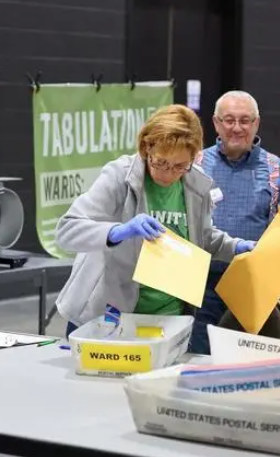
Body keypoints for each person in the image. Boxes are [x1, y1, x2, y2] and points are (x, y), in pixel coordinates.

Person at [54, 104, 257, 336]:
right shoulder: (120, 175)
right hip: (110, 314)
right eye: (160, 162)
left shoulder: (196, 184)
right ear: (146, 148)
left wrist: (236, 247)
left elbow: (201, 236)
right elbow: (67, 230)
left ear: (194, 158)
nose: (168, 174)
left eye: (179, 166)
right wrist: (117, 231)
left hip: (168, 317)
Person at [188, 90, 280, 354]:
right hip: (202, 288)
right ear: (216, 123)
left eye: (245, 120)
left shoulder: (275, 169)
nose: (237, 128)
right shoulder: (195, 165)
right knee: (200, 359)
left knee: (249, 363)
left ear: (256, 123)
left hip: (255, 289)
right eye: (229, 120)